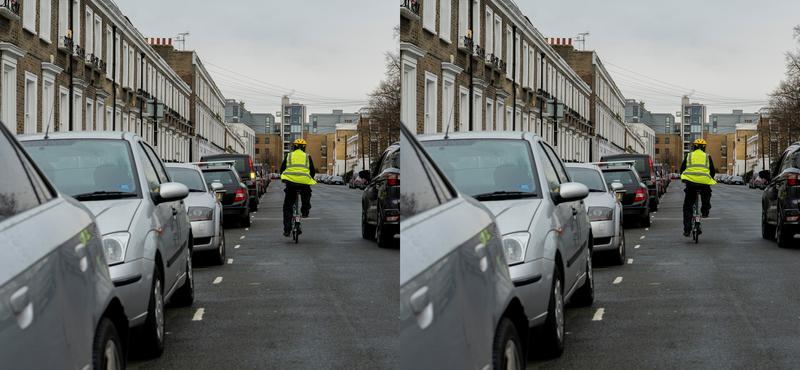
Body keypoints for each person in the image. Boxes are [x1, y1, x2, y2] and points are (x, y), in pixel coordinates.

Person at [680, 138, 717, 237]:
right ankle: (705, 212)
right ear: (704, 147)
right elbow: (712, 170)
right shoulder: (707, 156)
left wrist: (683, 178)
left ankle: (687, 230)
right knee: (707, 193)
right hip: (704, 184)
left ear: (694, 146)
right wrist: (711, 177)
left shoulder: (689, 155)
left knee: (688, 207)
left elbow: (682, 169)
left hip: (691, 184)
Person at [280, 139, 317, 237]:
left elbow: (282, 169)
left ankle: (287, 230)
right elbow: (312, 170)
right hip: (304, 183)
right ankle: (305, 212)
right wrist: (311, 177)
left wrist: (283, 178)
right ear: (304, 147)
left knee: (288, 207)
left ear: (294, 146)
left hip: (291, 184)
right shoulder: (307, 156)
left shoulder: (289, 155)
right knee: (307, 193)